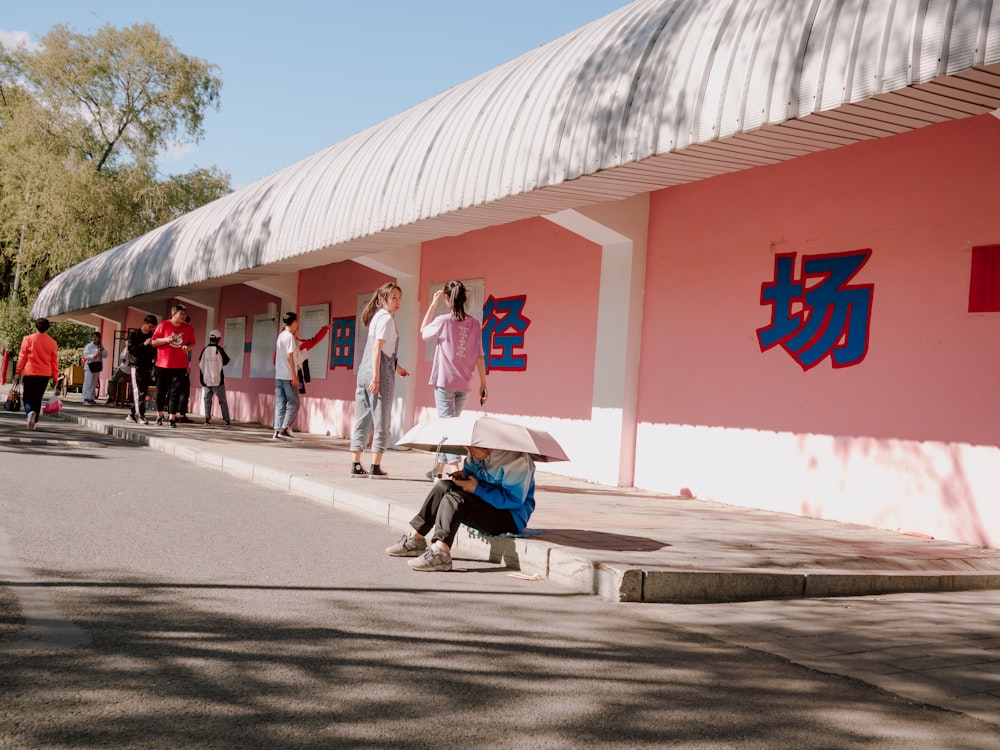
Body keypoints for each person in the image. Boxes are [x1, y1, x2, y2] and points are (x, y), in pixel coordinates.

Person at [386, 446, 536, 572]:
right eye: (467, 447)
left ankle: (441, 553)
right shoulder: (477, 452)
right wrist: (464, 475)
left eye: (472, 448)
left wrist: (477, 488)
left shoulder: (518, 462)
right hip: (485, 504)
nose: (468, 451)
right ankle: (416, 538)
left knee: (455, 499)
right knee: (443, 486)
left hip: (509, 517)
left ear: (489, 445)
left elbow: (514, 501)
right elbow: (473, 473)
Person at [420, 280, 488, 478]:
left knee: (446, 428)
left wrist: (433, 304)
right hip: (464, 383)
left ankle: (456, 472)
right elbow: (479, 355)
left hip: (444, 382)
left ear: (447, 299)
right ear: (464, 299)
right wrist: (484, 382)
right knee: (450, 425)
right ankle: (437, 471)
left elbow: (423, 332)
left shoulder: (443, 321)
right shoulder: (475, 324)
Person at [349, 283, 410, 477]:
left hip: (364, 371)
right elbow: (377, 349)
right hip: (378, 374)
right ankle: (375, 466)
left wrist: (397, 367)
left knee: (362, 419)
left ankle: (356, 464)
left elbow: (384, 351)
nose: (398, 301)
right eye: (393, 298)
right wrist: (377, 378)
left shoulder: (378, 317)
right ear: (383, 299)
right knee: (382, 421)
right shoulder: (387, 320)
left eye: (399, 298)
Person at [150, 304, 196, 427]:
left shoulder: (188, 328)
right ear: (173, 314)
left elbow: (192, 343)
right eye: (181, 314)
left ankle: (172, 418)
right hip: (163, 365)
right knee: (161, 392)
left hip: (180, 365)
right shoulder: (164, 325)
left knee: (175, 393)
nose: (183, 317)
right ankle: (159, 415)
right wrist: (166, 340)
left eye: (184, 314)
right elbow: (153, 342)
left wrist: (188, 348)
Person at [15, 318, 60, 430]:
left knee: (27, 397)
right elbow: (54, 362)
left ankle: (30, 412)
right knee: (38, 398)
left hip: (30, 372)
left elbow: (22, 357)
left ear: (35, 327)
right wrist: (55, 377)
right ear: (48, 328)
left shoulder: (28, 339)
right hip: (44, 374)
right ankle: (34, 422)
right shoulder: (52, 343)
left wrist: (17, 372)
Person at [273, 311, 302, 439]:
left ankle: (277, 430)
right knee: (294, 403)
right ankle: (285, 428)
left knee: (280, 403)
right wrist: (294, 376)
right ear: (294, 322)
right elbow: (290, 357)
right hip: (288, 376)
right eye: (297, 321)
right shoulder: (289, 337)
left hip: (279, 375)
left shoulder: (281, 336)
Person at [126, 314, 158, 425]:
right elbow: (131, 350)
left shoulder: (152, 335)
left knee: (143, 391)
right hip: (137, 366)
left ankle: (132, 413)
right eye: (149, 326)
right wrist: (143, 344)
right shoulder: (134, 335)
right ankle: (140, 415)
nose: (151, 329)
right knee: (138, 391)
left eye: (153, 327)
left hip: (147, 366)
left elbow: (154, 352)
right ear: (144, 322)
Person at [199, 329, 232, 427]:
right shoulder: (220, 350)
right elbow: (226, 361)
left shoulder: (204, 350)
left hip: (206, 380)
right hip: (218, 380)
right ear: (218, 339)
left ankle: (207, 420)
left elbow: (200, 364)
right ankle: (226, 420)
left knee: (207, 400)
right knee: (223, 401)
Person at [81, 331, 108, 405]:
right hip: (89, 366)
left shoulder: (100, 346)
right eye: (93, 336)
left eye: (96, 337)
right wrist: (94, 355)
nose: (94, 338)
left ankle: (91, 398)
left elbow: (106, 355)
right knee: (88, 383)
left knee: (94, 383)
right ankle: (86, 398)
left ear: (99, 338)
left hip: (96, 366)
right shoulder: (89, 346)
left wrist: (102, 350)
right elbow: (86, 356)